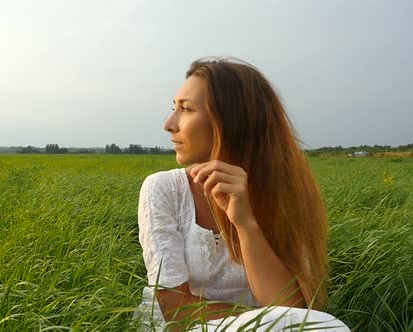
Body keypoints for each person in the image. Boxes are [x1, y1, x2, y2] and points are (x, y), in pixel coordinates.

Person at [134, 57, 350, 331]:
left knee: (327, 327)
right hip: (188, 328)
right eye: (173, 108)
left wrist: (245, 222)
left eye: (186, 109)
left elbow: (289, 307)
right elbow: (176, 310)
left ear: (232, 121)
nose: (169, 123)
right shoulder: (164, 189)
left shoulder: (284, 193)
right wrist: (263, 320)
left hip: (266, 326)